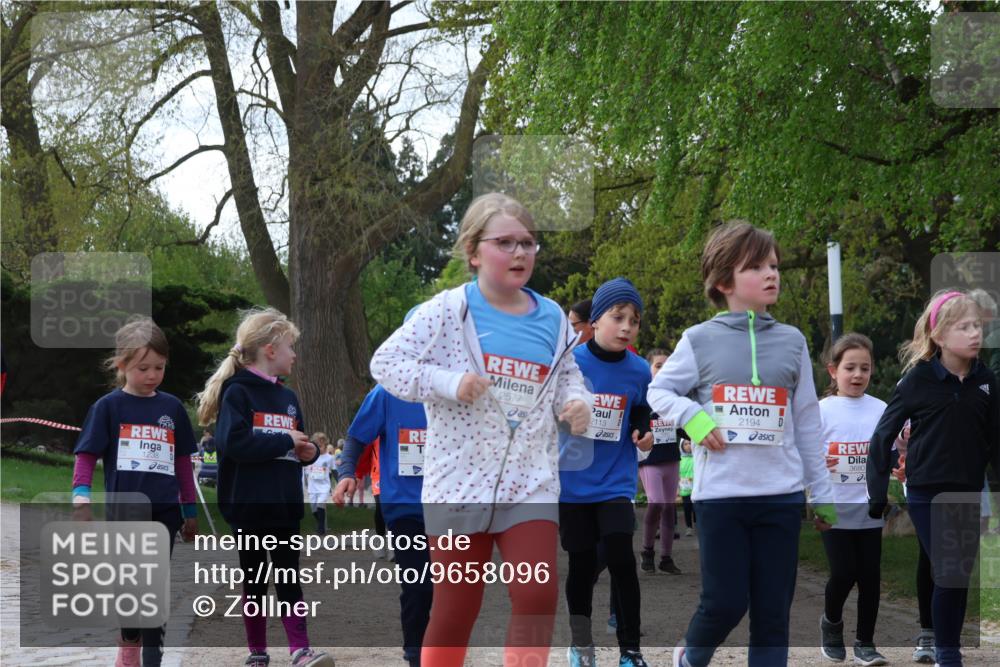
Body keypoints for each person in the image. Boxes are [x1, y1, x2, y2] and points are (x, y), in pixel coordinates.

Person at [370, 192, 593, 667]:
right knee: (456, 609)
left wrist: (578, 402)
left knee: (537, 597)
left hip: (529, 482)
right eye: (506, 242)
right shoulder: (447, 311)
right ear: (473, 252)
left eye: (529, 243)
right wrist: (448, 382)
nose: (520, 253)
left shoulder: (553, 316)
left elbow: (567, 374)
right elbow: (385, 363)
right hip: (458, 483)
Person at [648, 221, 837, 667]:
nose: (771, 273)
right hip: (722, 498)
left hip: (781, 497)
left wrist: (822, 494)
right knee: (726, 603)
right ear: (723, 281)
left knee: (773, 613)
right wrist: (692, 417)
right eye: (756, 266)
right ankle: (689, 657)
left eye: (773, 264)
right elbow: (658, 392)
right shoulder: (698, 339)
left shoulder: (792, 342)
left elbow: (808, 422)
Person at [867, 290, 998, 667]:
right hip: (925, 490)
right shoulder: (916, 381)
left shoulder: (986, 381)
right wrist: (878, 491)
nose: (975, 334)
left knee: (959, 574)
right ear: (939, 335)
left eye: (977, 326)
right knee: (947, 566)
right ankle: (947, 654)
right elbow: (882, 436)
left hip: (969, 490)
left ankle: (948, 645)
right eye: (964, 327)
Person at [196, 307, 333, 667]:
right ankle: (257, 652)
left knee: (289, 578)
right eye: (290, 346)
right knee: (254, 580)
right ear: (270, 349)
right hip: (249, 505)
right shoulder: (237, 393)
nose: (295, 354)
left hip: (284, 505)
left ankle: (301, 650)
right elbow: (234, 444)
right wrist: (285, 440)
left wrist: (309, 451)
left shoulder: (288, 397)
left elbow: (298, 442)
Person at [71, 318, 199, 667]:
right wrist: (80, 497)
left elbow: (183, 463)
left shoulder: (172, 409)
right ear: (121, 364)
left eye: (159, 367)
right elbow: (86, 455)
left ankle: (152, 659)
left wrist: (189, 511)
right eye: (143, 367)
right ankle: (129, 638)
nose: (152, 374)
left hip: (165, 514)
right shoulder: (108, 407)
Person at [559, 277, 654, 667]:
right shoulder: (570, 364)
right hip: (573, 483)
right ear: (595, 321)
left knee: (621, 557)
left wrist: (644, 433)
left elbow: (642, 411)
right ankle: (582, 645)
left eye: (634, 319)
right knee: (582, 567)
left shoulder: (639, 369)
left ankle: (630, 651)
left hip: (615, 481)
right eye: (618, 317)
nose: (627, 326)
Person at [335, 356, 432, 667]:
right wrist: (348, 472)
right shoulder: (387, 393)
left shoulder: (458, 390)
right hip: (404, 506)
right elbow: (357, 437)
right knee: (418, 584)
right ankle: (416, 654)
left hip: (451, 505)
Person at [817, 333, 888, 665]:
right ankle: (831, 623)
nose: (858, 375)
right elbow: (807, 455)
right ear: (833, 371)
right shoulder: (821, 411)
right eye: (850, 368)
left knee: (870, 576)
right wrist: (821, 462)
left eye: (865, 368)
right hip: (833, 507)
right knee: (844, 572)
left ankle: (865, 642)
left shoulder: (882, 410)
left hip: (870, 505)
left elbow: (893, 450)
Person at [638, 347, 682, 575]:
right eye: (658, 365)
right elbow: (634, 423)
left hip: (671, 458)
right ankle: (647, 551)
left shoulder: (675, 396)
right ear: (649, 369)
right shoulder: (642, 395)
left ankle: (666, 557)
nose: (663, 370)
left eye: (667, 365)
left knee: (669, 508)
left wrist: (692, 438)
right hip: (649, 459)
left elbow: (684, 427)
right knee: (657, 503)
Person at [303, 433, 335, 535]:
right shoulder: (309, 457)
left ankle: (321, 529)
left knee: (320, 504)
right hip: (312, 487)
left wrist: (340, 482)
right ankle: (320, 523)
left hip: (324, 486)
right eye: (316, 445)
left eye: (320, 446)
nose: (318, 448)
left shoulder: (329, 458)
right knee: (313, 508)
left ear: (325, 445)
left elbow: (334, 471)